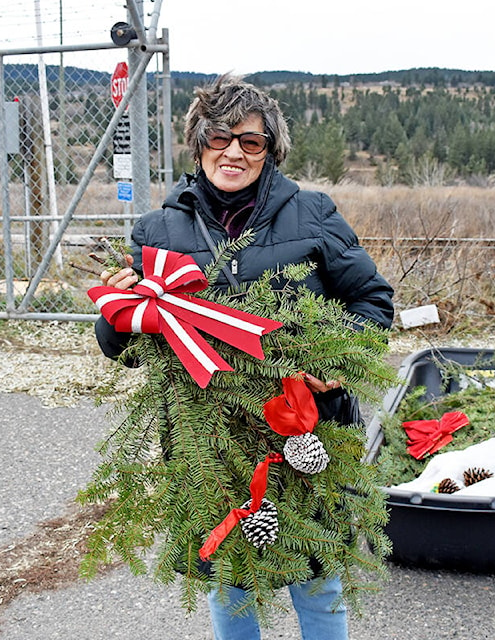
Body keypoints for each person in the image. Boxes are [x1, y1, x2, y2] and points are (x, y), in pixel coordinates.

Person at [94, 73, 394, 640]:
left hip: (307, 432)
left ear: (269, 150)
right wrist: (118, 312)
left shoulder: (312, 213)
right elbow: (127, 348)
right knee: (231, 579)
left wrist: (340, 360)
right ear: (199, 141)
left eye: (250, 141)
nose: (233, 151)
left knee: (318, 576)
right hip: (210, 445)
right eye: (219, 137)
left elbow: (371, 298)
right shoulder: (158, 228)